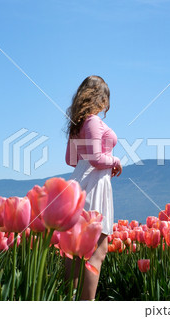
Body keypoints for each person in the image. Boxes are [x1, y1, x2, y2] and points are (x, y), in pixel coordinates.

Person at [64, 75, 122, 300]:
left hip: (79, 182)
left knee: (74, 251)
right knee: (97, 251)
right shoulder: (94, 122)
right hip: (95, 184)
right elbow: (98, 159)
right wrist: (115, 162)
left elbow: (71, 159)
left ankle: (71, 301)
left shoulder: (78, 124)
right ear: (101, 98)